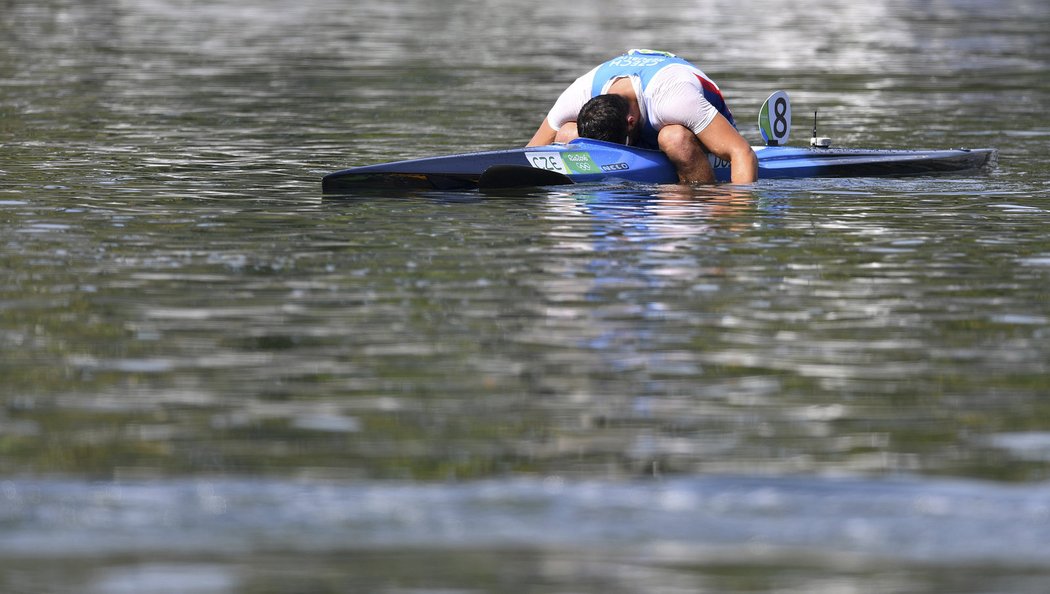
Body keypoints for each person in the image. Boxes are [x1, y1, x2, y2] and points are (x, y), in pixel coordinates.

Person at [527, 49, 758, 184]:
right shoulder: (579, 93)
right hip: (645, 114)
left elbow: (742, 153)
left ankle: (699, 198)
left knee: (673, 138)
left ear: (631, 122)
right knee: (567, 133)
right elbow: (530, 153)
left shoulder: (672, 99)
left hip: (695, 124)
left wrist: (736, 217)